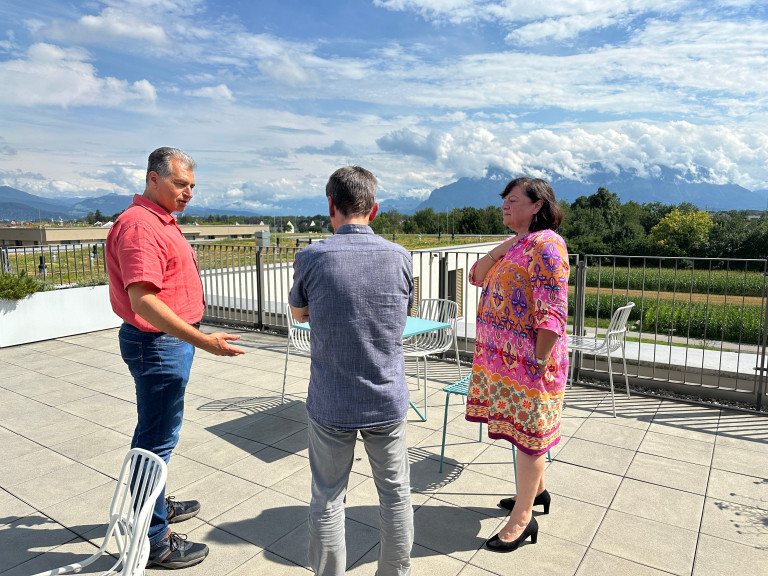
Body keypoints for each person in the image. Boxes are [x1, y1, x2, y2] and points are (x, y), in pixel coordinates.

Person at [106, 147, 245, 569]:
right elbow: (144, 302)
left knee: (156, 434)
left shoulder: (158, 221)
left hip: (164, 343)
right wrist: (204, 341)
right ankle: (154, 540)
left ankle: (157, 503)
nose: (188, 193)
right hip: (157, 345)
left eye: (192, 187)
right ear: (153, 179)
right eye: (180, 184)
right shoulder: (140, 227)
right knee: (156, 439)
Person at [288, 166, 414, 576]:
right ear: (373, 208)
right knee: (395, 495)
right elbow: (402, 312)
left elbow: (299, 312)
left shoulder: (312, 256)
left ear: (331, 206)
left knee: (327, 497)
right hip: (386, 396)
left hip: (331, 399)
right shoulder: (400, 257)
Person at [465, 177, 569, 552]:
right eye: (503, 200)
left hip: (530, 367)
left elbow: (553, 314)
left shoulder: (548, 246)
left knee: (530, 441)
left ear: (537, 205)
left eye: (512, 200)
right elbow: (476, 276)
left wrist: (538, 361)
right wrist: (503, 247)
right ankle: (536, 492)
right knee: (520, 434)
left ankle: (523, 519)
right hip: (505, 366)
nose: (505, 206)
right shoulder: (519, 245)